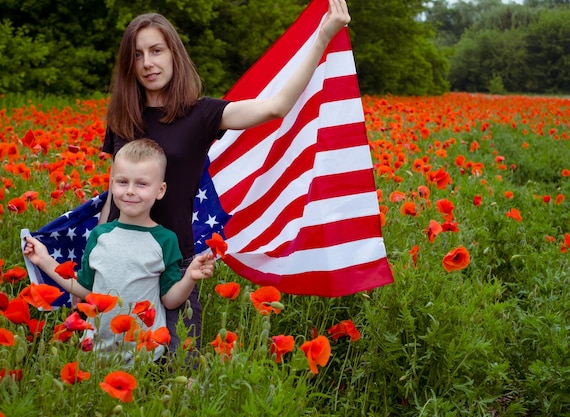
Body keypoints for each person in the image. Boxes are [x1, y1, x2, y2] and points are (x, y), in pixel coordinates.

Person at [99, 0, 351, 352]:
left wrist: (322, 38)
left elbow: (275, 108)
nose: (147, 63)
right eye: (137, 55)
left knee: (178, 368)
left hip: (175, 263)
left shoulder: (200, 114)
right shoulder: (122, 118)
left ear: (174, 54)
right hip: (119, 258)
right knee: (112, 360)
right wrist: (97, 244)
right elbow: (113, 193)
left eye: (156, 50)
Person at [24, 139, 215, 363]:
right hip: (96, 353)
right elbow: (86, 290)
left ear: (160, 190)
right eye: (123, 182)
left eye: (142, 184)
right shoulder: (100, 236)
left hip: (146, 356)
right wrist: (45, 260)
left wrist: (190, 277)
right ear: (112, 184)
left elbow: (169, 300)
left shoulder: (165, 240)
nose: (130, 191)